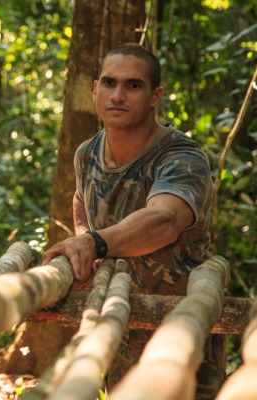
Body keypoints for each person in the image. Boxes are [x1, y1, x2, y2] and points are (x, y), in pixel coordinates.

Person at [42, 43, 225, 399]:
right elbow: (81, 200)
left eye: (133, 85)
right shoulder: (87, 154)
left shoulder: (182, 157)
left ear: (156, 96)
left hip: (183, 332)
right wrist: (85, 245)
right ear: (95, 89)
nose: (118, 95)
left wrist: (93, 242)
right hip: (117, 326)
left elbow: (165, 219)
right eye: (109, 83)